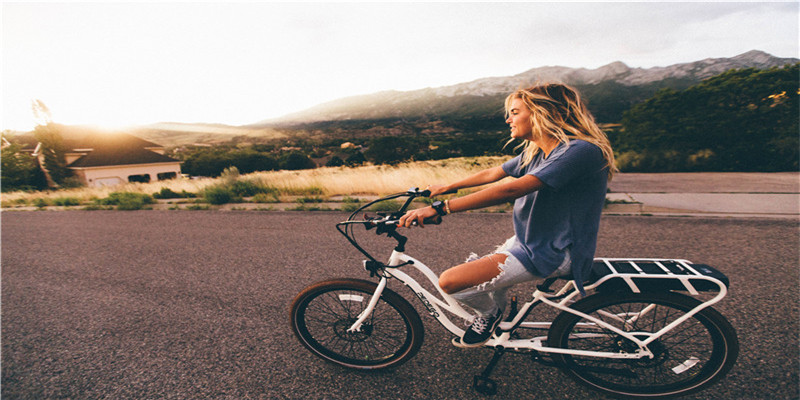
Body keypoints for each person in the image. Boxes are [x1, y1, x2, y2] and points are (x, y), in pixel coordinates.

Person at [398, 83, 616, 347]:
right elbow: (494, 173)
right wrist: (447, 187)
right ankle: (499, 318)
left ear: (544, 113)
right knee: (486, 279)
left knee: (450, 282)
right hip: (531, 241)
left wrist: (441, 207)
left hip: (556, 251)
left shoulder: (578, 151)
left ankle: (490, 315)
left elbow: (511, 189)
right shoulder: (538, 153)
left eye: (515, 112)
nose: (508, 119)